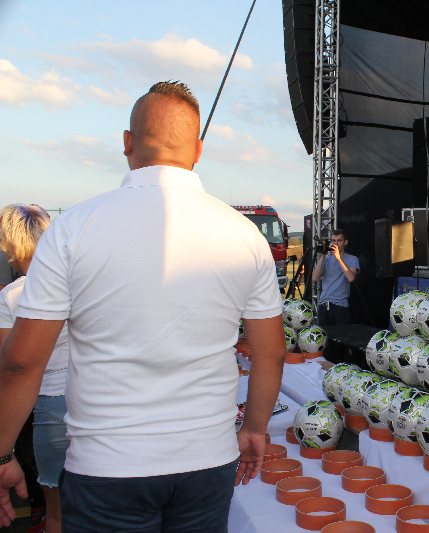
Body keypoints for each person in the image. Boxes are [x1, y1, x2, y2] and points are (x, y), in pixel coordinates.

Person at [0, 81, 286, 531]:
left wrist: (2, 455)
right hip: (207, 460)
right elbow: (271, 353)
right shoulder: (245, 235)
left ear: (127, 142)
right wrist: (254, 428)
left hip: (107, 465)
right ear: (198, 150)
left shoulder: (73, 228)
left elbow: (21, 362)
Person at [0, 205, 67, 533]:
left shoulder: (11, 296)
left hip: (47, 406)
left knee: (56, 512)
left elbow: (9, 365)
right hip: (93, 400)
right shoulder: (75, 285)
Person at [312, 229, 359, 326]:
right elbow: (315, 278)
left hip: (340, 305)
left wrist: (339, 258)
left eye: (339, 240)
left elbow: (351, 278)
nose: (336, 243)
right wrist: (323, 256)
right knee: (324, 334)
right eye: (333, 240)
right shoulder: (327, 259)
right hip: (324, 304)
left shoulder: (352, 259)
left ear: (345, 242)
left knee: (341, 334)